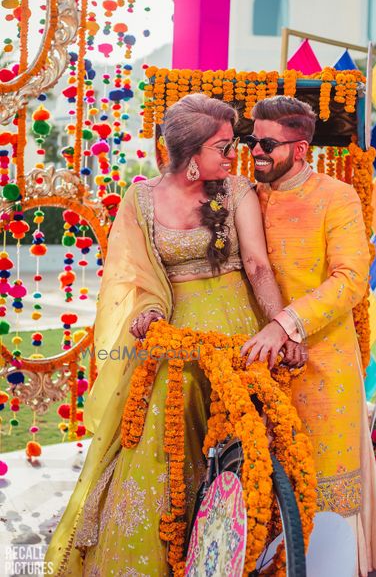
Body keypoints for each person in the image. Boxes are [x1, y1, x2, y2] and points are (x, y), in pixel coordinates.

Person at [45, 93, 305, 576]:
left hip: (238, 339)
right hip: (174, 342)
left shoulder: (237, 190)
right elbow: (132, 275)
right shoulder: (140, 199)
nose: (233, 156)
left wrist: (280, 327)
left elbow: (257, 265)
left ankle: (230, 556)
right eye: (223, 147)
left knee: (239, 448)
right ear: (190, 157)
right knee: (160, 446)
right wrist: (147, 313)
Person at [242, 95, 376, 576]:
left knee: (325, 486)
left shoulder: (336, 196)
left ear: (301, 148)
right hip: (256, 362)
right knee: (259, 480)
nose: (256, 152)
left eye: (267, 143)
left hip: (323, 364)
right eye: (252, 140)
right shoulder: (245, 195)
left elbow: (350, 279)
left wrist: (286, 323)